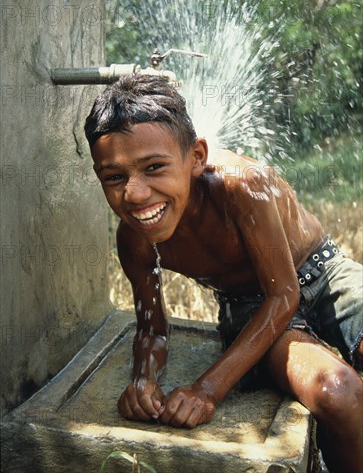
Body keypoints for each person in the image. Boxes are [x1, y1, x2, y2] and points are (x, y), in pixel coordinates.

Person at [84, 74, 362, 473]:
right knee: (339, 393)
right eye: (114, 177)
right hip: (253, 309)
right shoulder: (135, 240)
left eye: (154, 167)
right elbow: (153, 328)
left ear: (196, 157)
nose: (136, 194)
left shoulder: (242, 187)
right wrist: (143, 380)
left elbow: (285, 293)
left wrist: (207, 389)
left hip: (324, 271)